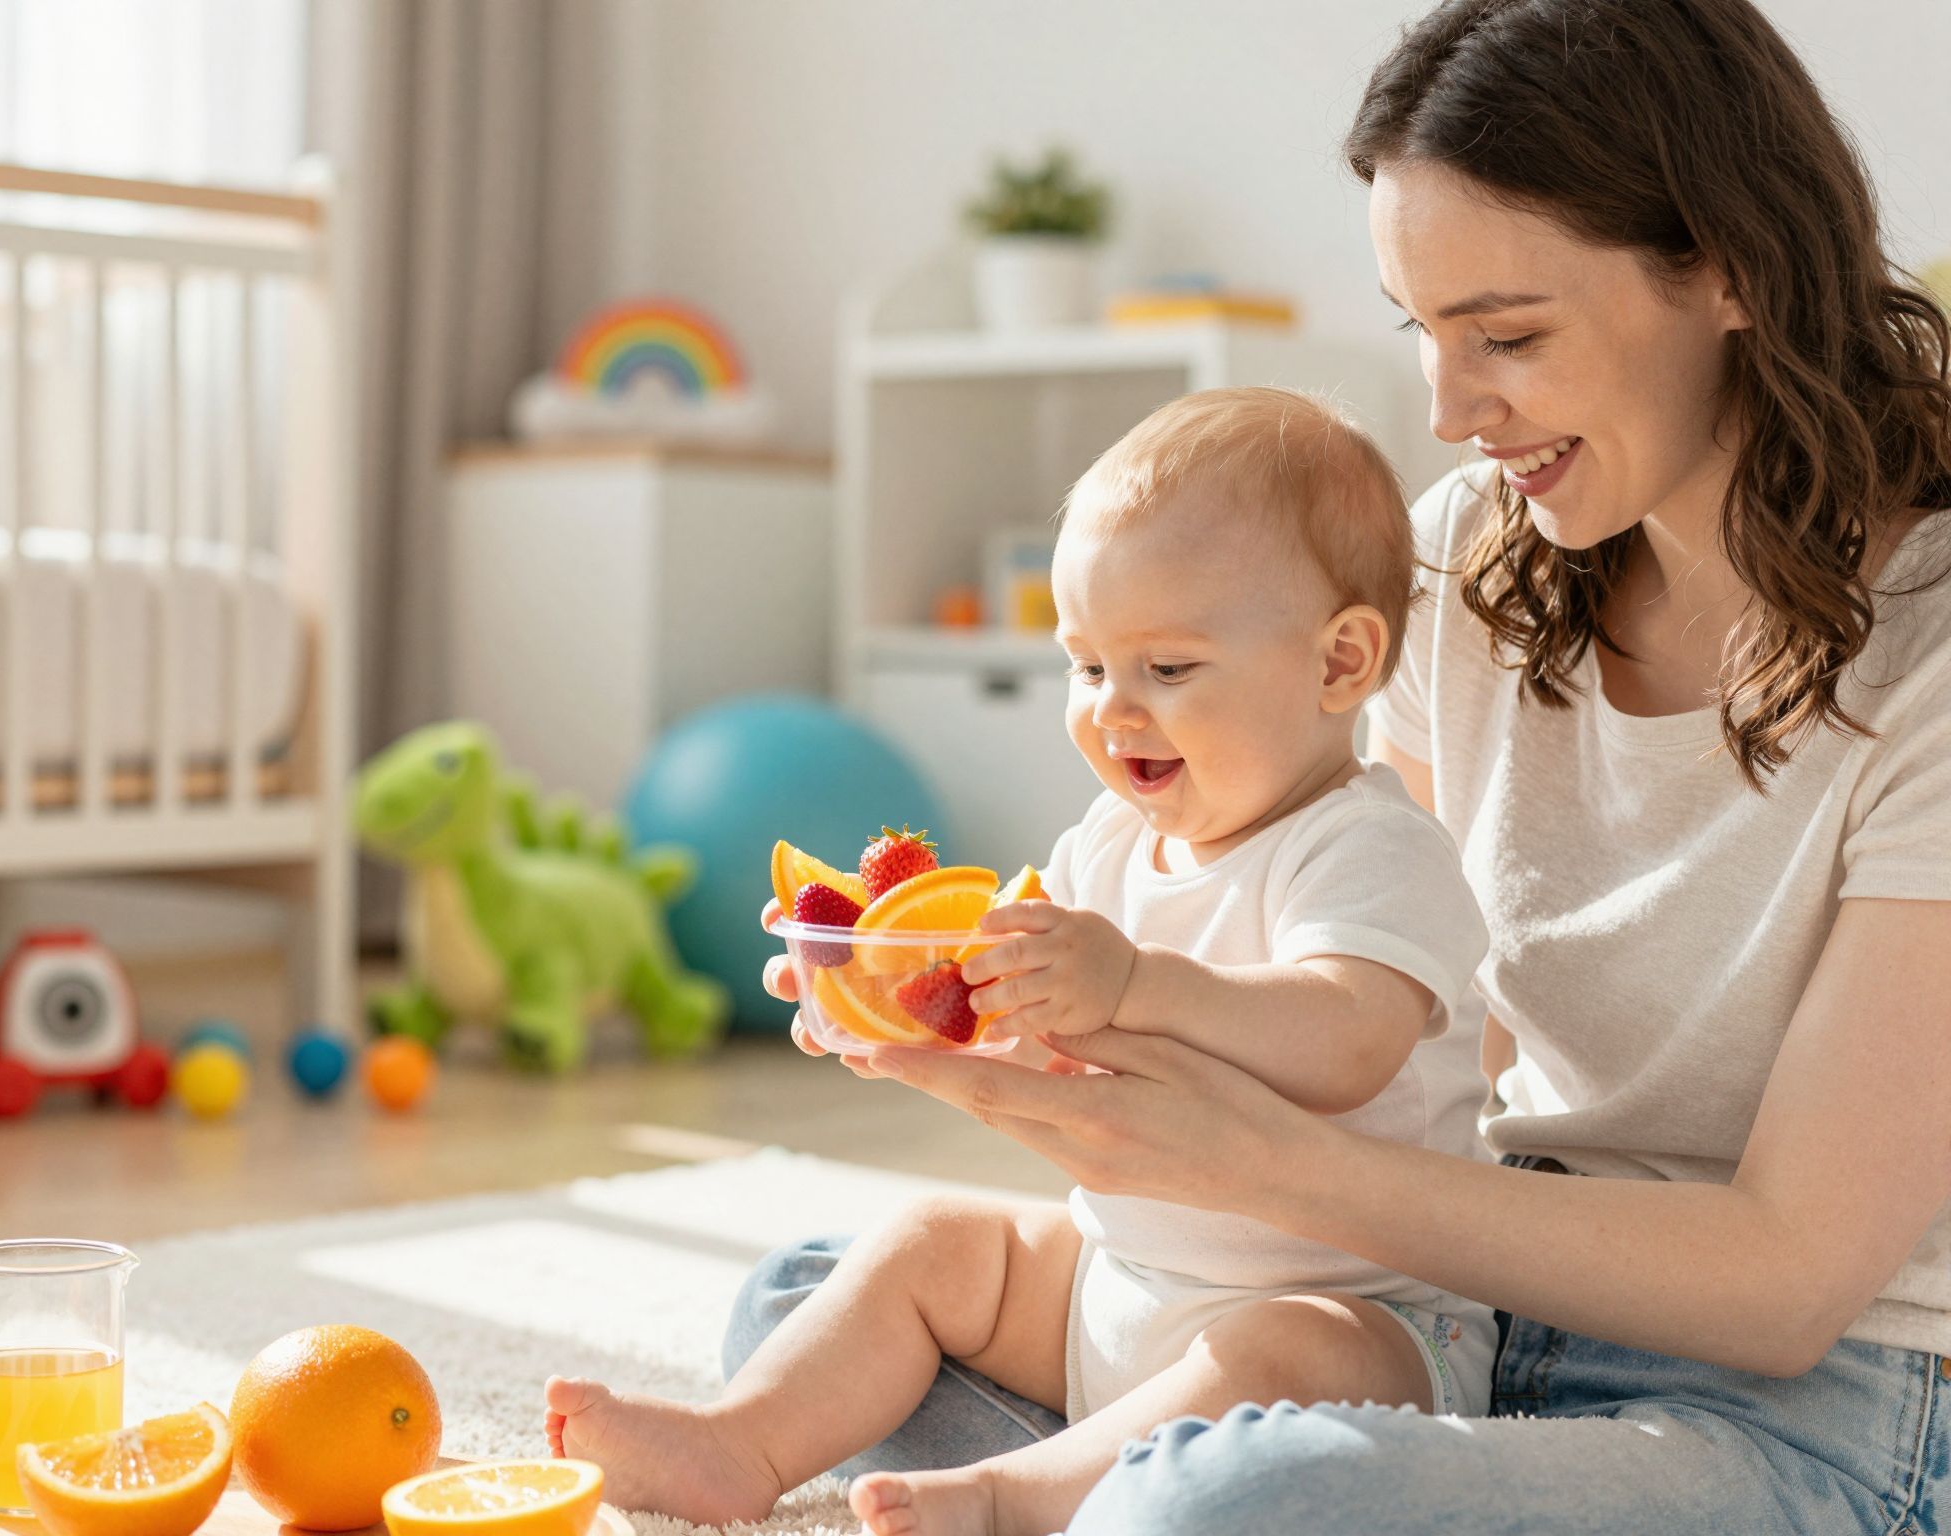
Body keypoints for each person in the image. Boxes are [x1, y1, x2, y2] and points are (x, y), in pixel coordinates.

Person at [722, 0, 1951, 1531]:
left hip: (1793, 1409)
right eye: (1421, 335)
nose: (1447, 413)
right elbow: (1384, 1002)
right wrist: (1047, 1032)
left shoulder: (1935, 650)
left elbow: (1786, 1283)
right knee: (814, 1307)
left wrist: (1257, 1166)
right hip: (1474, 1309)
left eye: (1507, 336)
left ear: (1731, 270)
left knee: (1241, 1500)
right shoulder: (1464, 566)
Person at [542, 388, 1500, 1534]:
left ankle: (1015, 1495)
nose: (1112, 712)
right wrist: (890, 1000)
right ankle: (738, 1445)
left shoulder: (1368, 846)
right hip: (1118, 1286)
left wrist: (1140, 986)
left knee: (1281, 1349)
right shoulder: (1105, 845)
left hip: (1358, 1322)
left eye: (1168, 669)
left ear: (1339, 663)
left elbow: (1346, 1038)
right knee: (931, 1244)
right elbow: (1022, 1018)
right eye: (1086, 667)